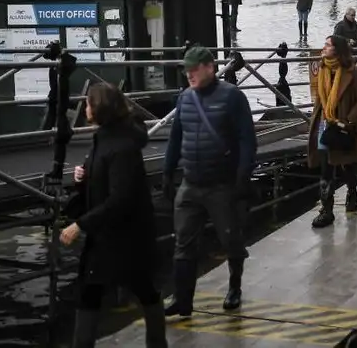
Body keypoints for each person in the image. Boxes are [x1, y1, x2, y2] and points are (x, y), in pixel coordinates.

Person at [63, 84, 166, 348]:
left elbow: (121, 197)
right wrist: (82, 178)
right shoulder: (106, 138)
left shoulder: (121, 146)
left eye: (88, 103)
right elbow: (100, 180)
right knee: (92, 292)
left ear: (100, 109)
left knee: (142, 289)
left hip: (126, 238)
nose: (84, 108)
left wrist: (80, 224)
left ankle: (157, 343)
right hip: (107, 235)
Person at [162, 46, 257, 316]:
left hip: (222, 184)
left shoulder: (232, 97)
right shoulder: (185, 98)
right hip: (190, 183)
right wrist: (168, 173)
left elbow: (247, 140)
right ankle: (182, 300)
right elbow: (175, 137)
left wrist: (242, 178)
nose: (189, 75)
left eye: (194, 69)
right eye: (186, 70)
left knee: (230, 239)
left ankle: (234, 287)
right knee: (183, 242)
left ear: (209, 67)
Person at [308, 35, 357, 228]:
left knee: (348, 166)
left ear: (338, 50)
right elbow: (317, 96)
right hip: (326, 124)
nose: (323, 48)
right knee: (326, 168)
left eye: (327, 45)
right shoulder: (321, 68)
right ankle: (327, 210)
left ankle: (352, 192)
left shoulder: (353, 72)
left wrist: (349, 119)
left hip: (344, 127)